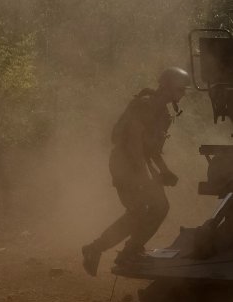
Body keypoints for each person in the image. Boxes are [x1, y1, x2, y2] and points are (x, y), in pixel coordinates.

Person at [81, 66, 190, 276]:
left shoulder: (163, 114)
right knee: (138, 211)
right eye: (180, 89)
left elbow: (153, 149)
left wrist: (165, 171)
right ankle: (94, 249)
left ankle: (131, 250)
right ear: (167, 87)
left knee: (160, 207)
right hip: (124, 162)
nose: (183, 94)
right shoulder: (145, 105)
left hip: (141, 163)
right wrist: (143, 174)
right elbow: (133, 142)